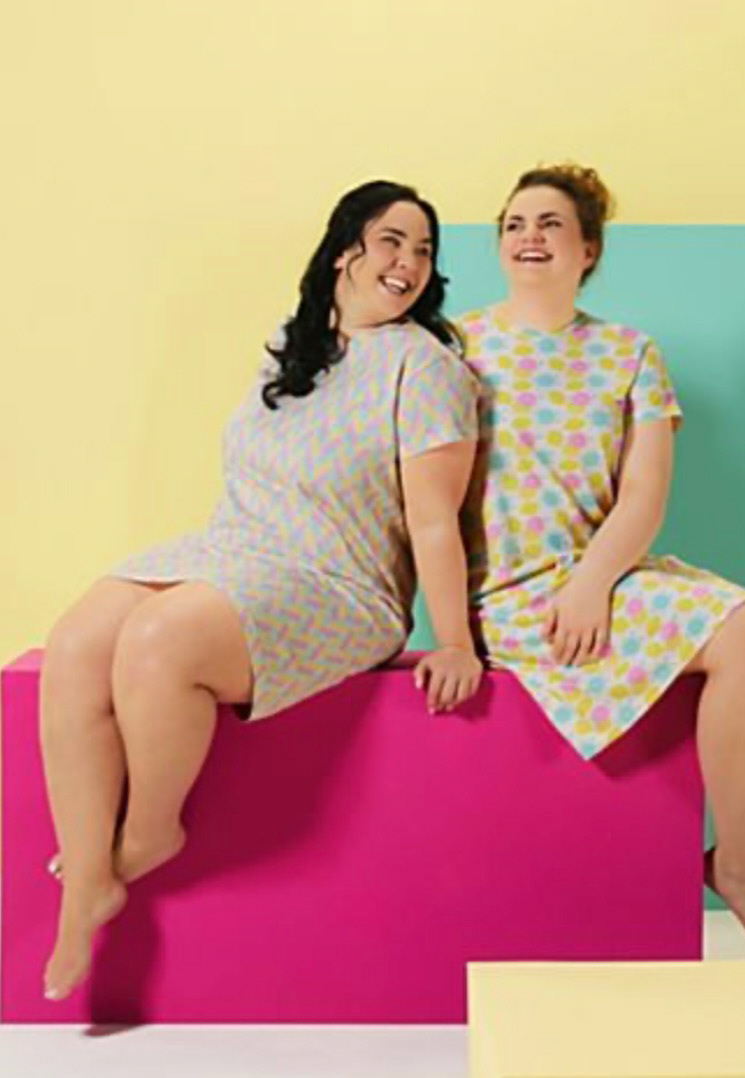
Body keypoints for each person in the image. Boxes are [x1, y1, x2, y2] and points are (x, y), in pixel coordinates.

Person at [455, 163, 745, 947]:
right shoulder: (458, 347)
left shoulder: (628, 352)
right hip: (516, 592)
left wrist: (594, 581)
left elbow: (644, 496)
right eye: (514, 224)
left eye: (550, 224)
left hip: (602, 575)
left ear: (588, 250)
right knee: (742, 633)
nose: (529, 237)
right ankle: (739, 858)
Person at [39, 180, 484, 1001]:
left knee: (160, 640)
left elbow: (433, 521)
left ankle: (148, 834)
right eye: (392, 240)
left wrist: (454, 641)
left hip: (338, 581)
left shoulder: (426, 368)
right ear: (344, 249)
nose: (409, 263)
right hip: (237, 548)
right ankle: (88, 883)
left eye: (424, 250)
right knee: (75, 644)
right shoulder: (293, 341)